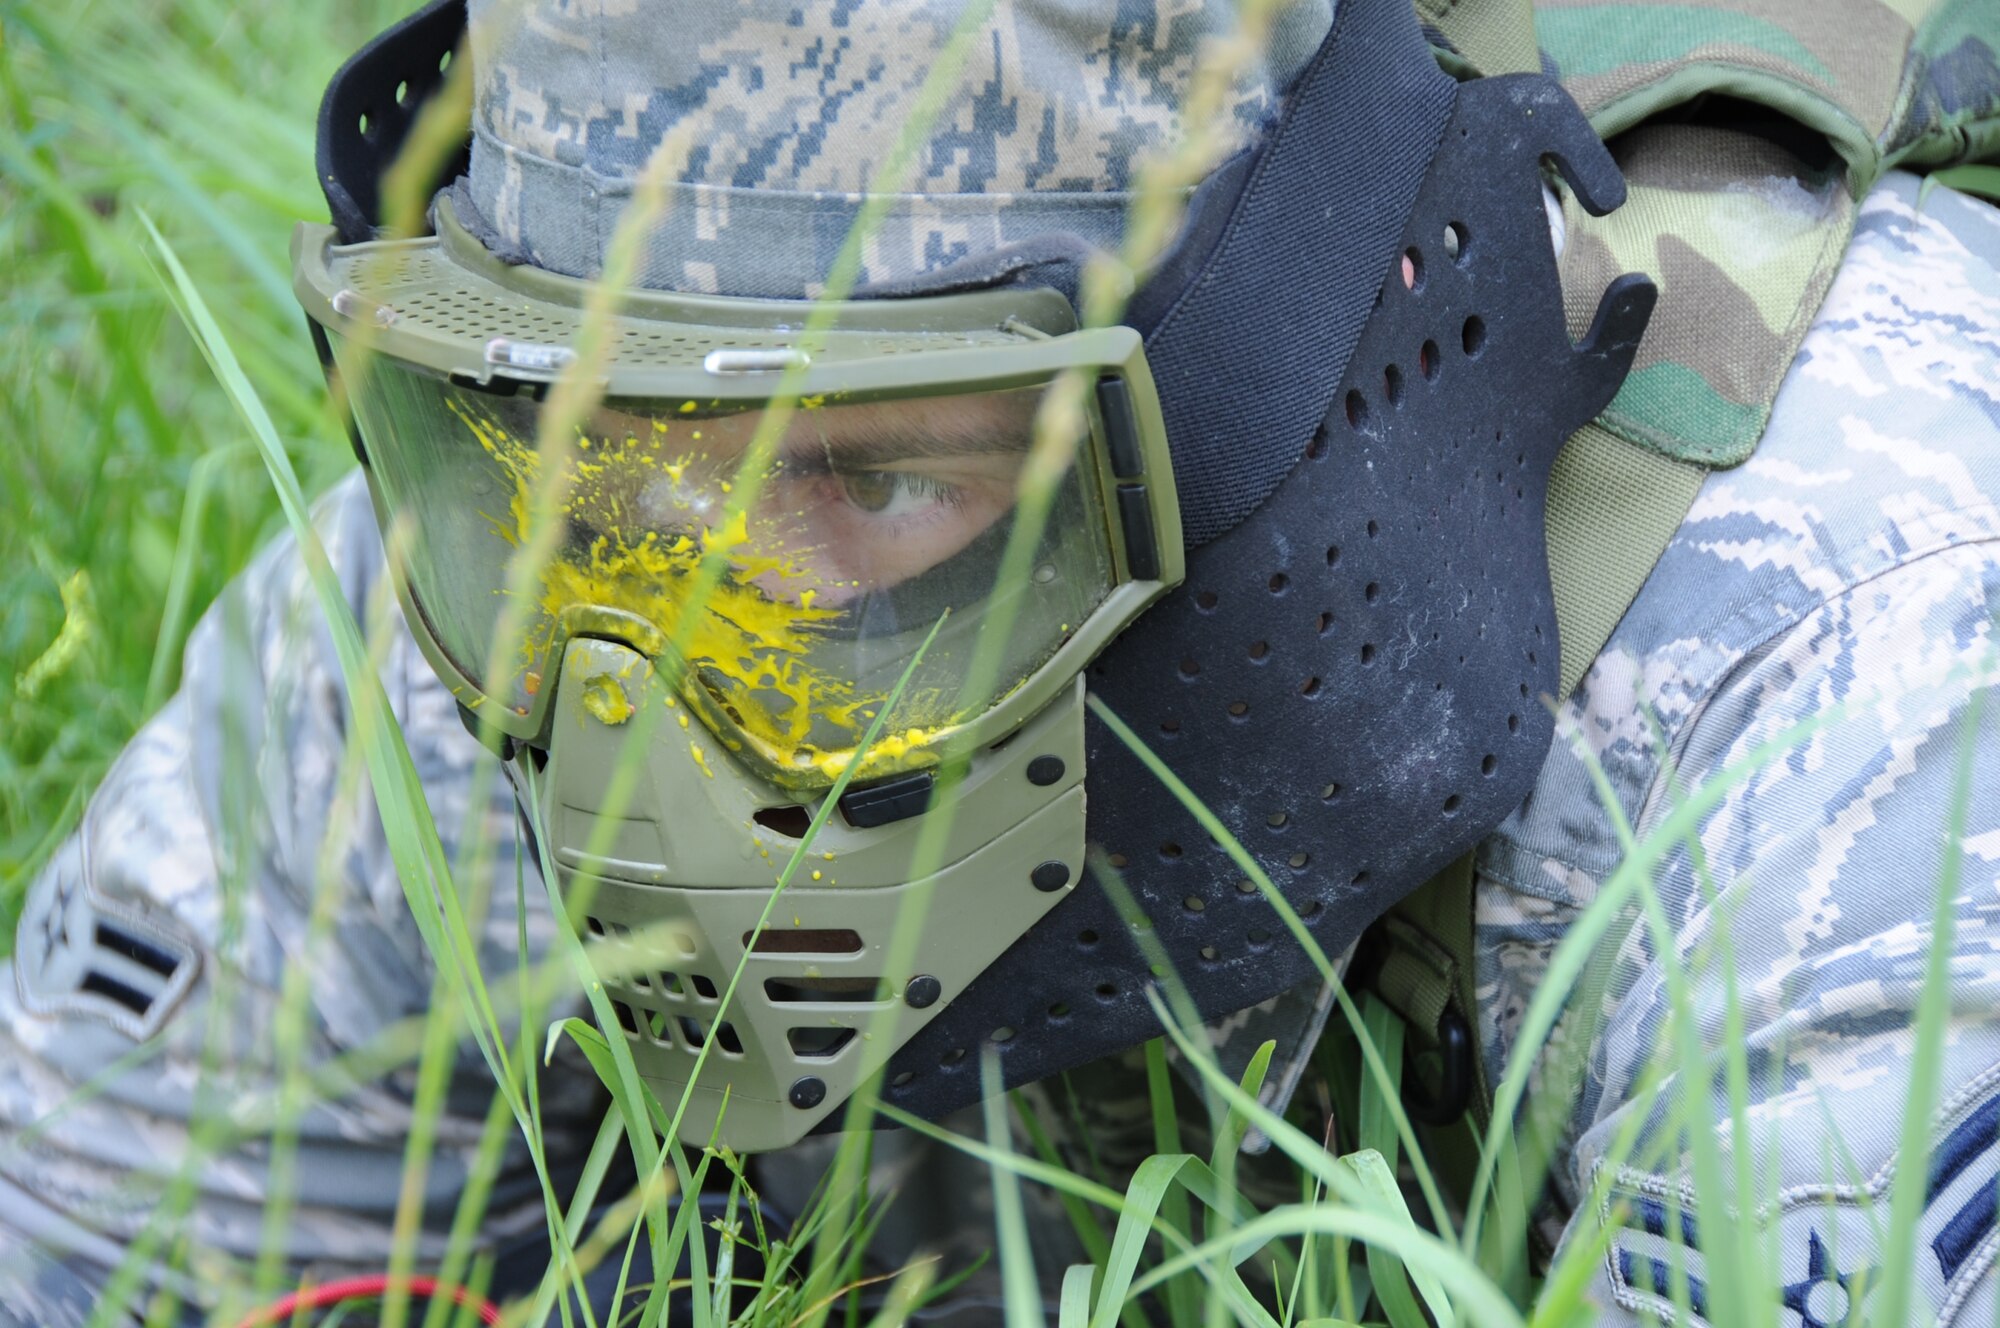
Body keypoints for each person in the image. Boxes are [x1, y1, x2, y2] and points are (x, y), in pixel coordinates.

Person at [4, 0, 1998, 1324]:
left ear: (1283, 397)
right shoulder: (498, 601)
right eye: (604, 448)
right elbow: (87, 1241)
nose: (692, 677)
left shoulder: (1831, 640)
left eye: (872, 479)